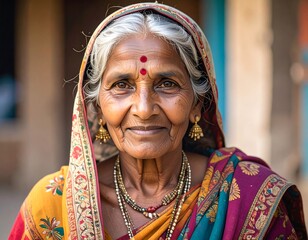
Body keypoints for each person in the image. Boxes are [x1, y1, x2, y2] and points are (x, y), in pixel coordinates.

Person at [9, 2, 307, 239]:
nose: (143, 108)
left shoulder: (249, 198)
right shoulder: (52, 207)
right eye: (122, 85)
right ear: (96, 107)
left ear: (197, 104)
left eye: (167, 83)